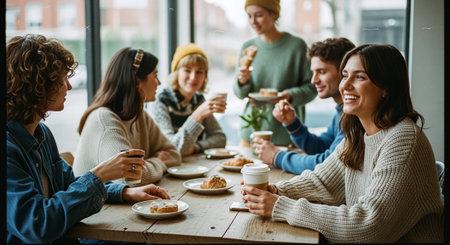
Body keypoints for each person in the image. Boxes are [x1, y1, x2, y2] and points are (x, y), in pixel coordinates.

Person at [242, 44, 444, 243]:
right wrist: (276, 191)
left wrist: (282, 206)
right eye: (345, 75)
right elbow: (322, 182)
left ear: (386, 88)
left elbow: (369, 225)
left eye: (359, 77)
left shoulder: (403, 139)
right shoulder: (357, 133)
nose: (345, 85)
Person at [6, 34, 170, 244]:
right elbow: (37, 224)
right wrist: (98, 174)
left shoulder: (42, 133)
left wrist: (125, 192)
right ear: (37, 84)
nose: (69, 86)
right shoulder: (9, 148)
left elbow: (68, 185)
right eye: (62, 79)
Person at [73, 47, 181, 185]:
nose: (159, 83)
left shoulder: (139, 114)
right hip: (100, 207)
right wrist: (159, 162)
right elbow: (130, 179)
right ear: (137, 82)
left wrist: (146, 166)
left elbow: (173, 153)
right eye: (154, 76)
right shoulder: (105, 120)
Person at [253, 38, 355, 174]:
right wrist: (292, 123)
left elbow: (326, 164)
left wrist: (277, 157)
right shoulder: (342, 111)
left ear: (345, 72)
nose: (314, 80)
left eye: (322, 72)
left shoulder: (355, 115)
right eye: (313, 72)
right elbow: (322, 146)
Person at [234, 0, 317, 146]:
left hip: (286, 137)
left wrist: (290, 95)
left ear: (274, 14)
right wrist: (242, 82)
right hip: (251, 135)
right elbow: (240, 94)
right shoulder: (247, 47)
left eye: (259, 15)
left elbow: (312, 88)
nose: (253, 21)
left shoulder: (297, 46)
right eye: (249, 16)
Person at [149, 43, 227, 156]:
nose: (193, 77)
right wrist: (197, 116)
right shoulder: (159, 101)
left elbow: (220, 138)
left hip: (193, 165)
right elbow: (172, 148)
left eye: (199, 72)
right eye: (187, 70)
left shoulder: (199, 100)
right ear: (176, 72)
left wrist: (196, 147)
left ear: (205, 76)